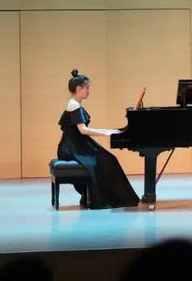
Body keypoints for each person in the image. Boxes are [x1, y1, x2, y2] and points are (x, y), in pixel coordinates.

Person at [57, 69, 139, 209]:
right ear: (78, 89)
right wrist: (106, 133)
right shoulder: (74, 105)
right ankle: (109, 198)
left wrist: (106, 131)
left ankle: (104, 196)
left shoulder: (74, 103)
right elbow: (83, 130)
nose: (88, 91)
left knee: (108, 159)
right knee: (107, 160)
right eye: (87, 88)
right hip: (73, 148)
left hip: (74, 145)